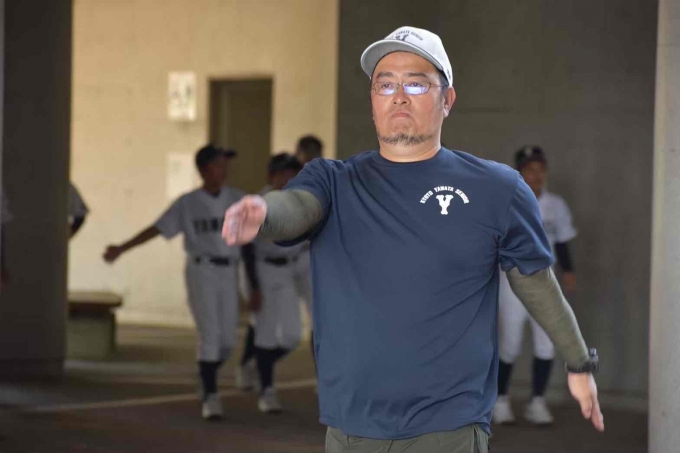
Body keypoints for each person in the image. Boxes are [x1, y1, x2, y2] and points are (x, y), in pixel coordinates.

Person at [222, 26, 603, 452]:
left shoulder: (498, 188)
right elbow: (297, 207)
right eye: (385, 85)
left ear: (448, 99)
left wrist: (578, 362)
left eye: (416, 83)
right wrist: (265, 212)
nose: (399, 96)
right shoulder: (333, 181)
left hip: (447, 429)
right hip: (351, 429)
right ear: (372, 102)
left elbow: (536, 282)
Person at [103, 144, 256, 421]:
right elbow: (158, 228)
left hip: (228, 271)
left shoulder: (238, 199)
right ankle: (211, 395)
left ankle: (205, 373)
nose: (224, 169)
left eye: (225, 164)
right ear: (203, 169)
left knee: (227, 340)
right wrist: (122, 248)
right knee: (210, 335)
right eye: (218, 164)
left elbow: (251, 241)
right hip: (201, 270)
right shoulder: (188, 203)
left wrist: (253, 283)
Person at [493, 146, 578, 425]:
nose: (537, 175)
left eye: (541, 169)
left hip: (545, 282)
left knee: (546, 344)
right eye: (531, 170)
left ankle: (537, 402)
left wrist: (569, 272)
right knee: (509, 344)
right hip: (512, 281)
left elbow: (561, 241)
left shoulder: (556, 205)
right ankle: (500, 400)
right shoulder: (505, 201)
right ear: (520, 172)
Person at [236, 153, 306, 413]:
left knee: (292, 336)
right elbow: (246, 248)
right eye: (284, 175)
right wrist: (253, 287)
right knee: (265, 332)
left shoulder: (299, 201)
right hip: (262, 270)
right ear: (271, 176)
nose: (289, 180)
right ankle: (267, 391)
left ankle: (255, 364)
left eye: (294, 175)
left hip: (286, 270)